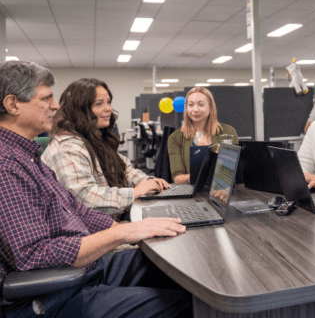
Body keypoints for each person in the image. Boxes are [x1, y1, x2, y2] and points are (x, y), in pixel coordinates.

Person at [0, 60, 190, 318]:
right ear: (13, 105)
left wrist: (128, 229)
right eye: (46, 98)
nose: (55, 106)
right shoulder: (6, 165)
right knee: (182, 303)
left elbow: (76, 207)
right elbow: (34, 256)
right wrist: (123, 234)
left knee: (173, 268)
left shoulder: (28, 154)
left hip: (83, 267)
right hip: (55, 292)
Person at [42, 78, 169, 221]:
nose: (108, 108)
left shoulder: (96, 137)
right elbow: (84, 199)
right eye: (99, 104)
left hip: (113, 220)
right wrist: (134, 193)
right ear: (79, 110)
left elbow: (125, 170)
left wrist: (148, 182)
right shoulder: (67, 148)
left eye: (108, 102)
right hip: (90, 233)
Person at [168, 87, 238, 184]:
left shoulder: (228, 132)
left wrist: (211, 151)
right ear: (186, 108)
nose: (195, 110)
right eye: (191, 105)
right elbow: (178, 178)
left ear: (210, 107)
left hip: (222, 189)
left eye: (201, 105)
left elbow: (232, 171)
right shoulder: (175, 138)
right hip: (191, 191)